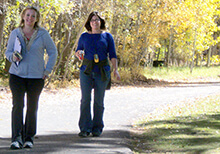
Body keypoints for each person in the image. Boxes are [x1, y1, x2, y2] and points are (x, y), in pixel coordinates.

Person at [5, 6, 58, 149]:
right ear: (23, 17)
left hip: (36, 77)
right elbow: (7, 52)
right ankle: (16, 139)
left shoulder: (43, 34)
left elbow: (53, 52)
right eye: (27, 15)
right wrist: (12, 56)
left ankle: (29, 138)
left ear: (37, 19)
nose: (30, 18)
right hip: (17, 75)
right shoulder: (15, 33)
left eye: (33, 16)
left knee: (32, 107)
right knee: (18, 106)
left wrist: (47, 70)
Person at [75, 11, 120, 137]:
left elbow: (112, 55)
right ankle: (85, 128)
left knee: (99, 101)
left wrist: (115, 69)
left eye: (97, 19)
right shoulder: (84, 36)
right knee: (85, 100)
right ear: (89, 23)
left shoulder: (107, 36)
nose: (95, 22)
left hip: (102, 70)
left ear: (101, 22)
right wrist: (78, 53)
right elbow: (78, 50)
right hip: (86, 70)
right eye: (92, 20)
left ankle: (97, 128)